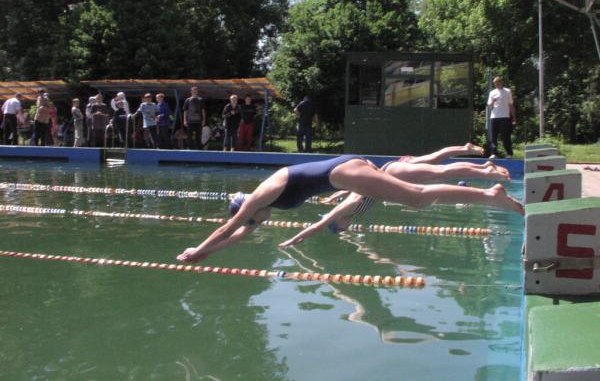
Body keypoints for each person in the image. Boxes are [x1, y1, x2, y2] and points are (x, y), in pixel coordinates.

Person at [177, 154, 524, 263]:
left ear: (247, 208)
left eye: (252, 220)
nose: (255, 224)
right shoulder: (260, 211)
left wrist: (198, 247)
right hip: (344, 176)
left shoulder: (258, 198)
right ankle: (487, 191)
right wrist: (206, 255)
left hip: (341, 172)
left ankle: (490, 192)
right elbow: (235, 236)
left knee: (416, 196)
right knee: (416, 197)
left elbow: (228, 228)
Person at [279, 144, 513, 247]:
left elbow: (321, 223)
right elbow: (359, 184)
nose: (344, 229)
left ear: (339, 223)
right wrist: (334, 195)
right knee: (437, 173)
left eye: (340, 228)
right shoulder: (355, 210)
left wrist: (297, 237)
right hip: (393, 175)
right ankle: (485, 174)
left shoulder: (346, 210)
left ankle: (486, 174)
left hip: (394, 171)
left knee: (438, 172)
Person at [487, 76, 516, 159]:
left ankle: (509, 153)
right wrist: (492, 102)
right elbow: (489, 105)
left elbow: (511, 105)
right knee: (494, 136)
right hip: (494, 117)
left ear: (501, 82)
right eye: (495, 83)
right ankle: (494, 153)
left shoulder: (508, 91)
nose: (496, 84)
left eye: (498, 82)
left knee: (506, 135)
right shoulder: (492, 92)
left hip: (505, 116)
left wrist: (514, 117)